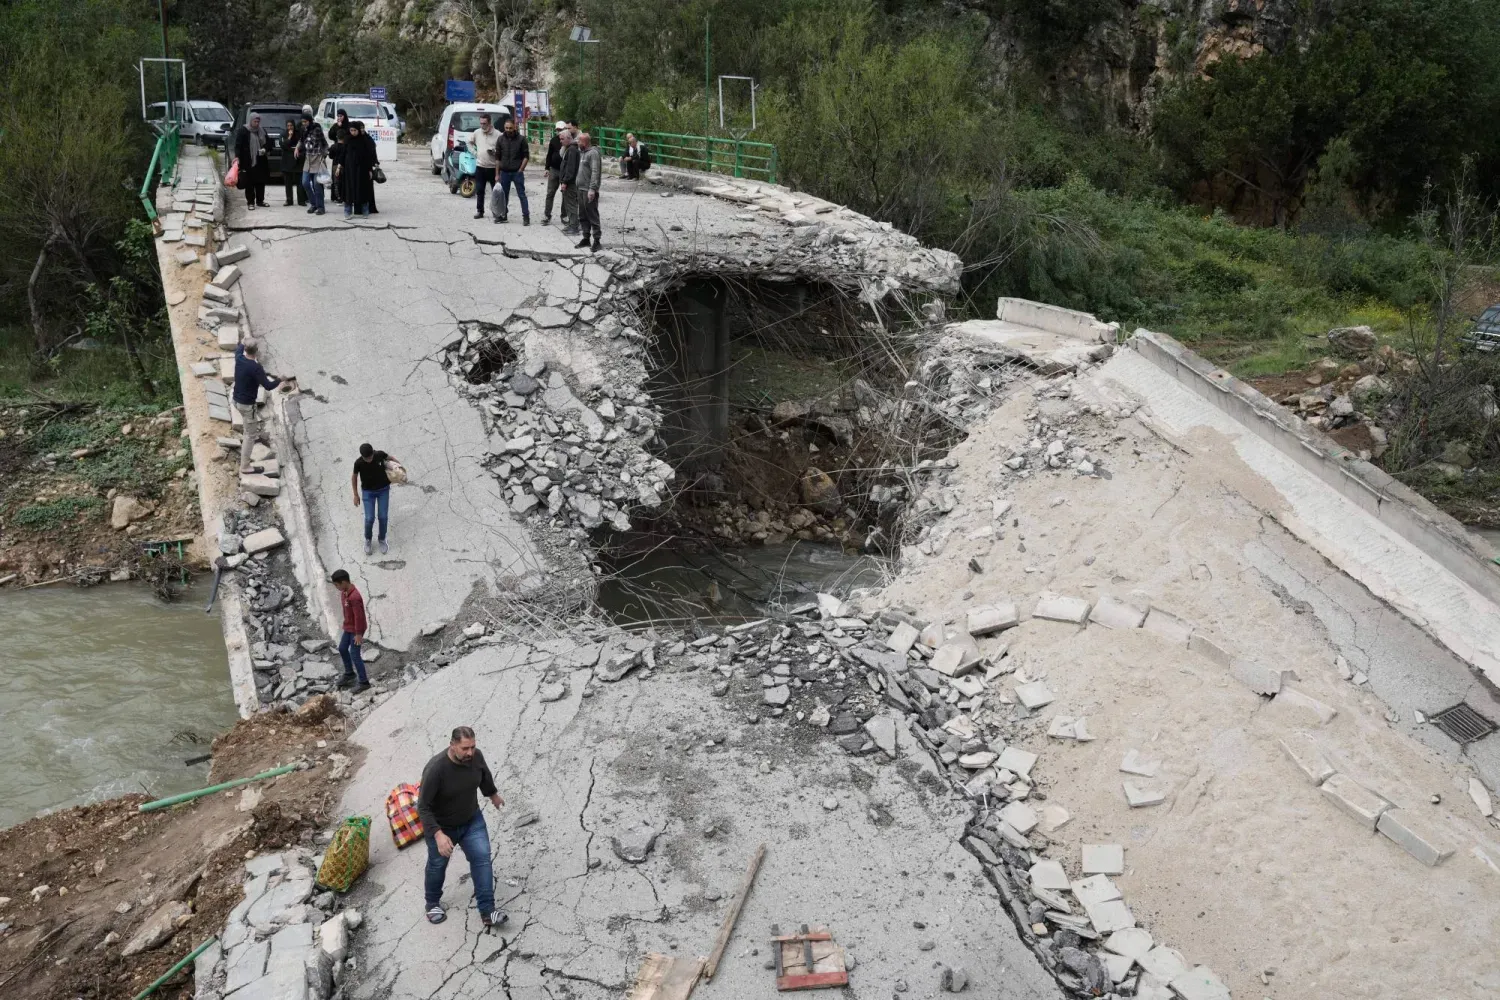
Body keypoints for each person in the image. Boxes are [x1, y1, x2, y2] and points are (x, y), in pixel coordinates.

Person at [417, 727, 507, 927]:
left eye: (473, 747)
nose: (470, 753)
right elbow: (422, 807)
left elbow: (484, 776)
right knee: (437, 865)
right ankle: (432, 903)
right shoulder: (436, 769)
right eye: (465, 748)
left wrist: (492, 795)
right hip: (442, 827)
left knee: (482, 858)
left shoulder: (476, 757)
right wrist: (438, 835)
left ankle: (487, 911)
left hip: (471, 820)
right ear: (452, 745)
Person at [232, 340, 281, 473]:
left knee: (248, 426)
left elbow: (239, 347)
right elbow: (268, 386)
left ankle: (247, 431)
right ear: (257, 350)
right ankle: (245, 467)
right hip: (246, 405)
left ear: (245, 349)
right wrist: (279, 379)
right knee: (250, 435)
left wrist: (244, 342)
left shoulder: (239, 358)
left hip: (236, 400)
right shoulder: (255, 368)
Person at [351, 442, 399, 554]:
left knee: (383, 517)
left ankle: (382, 538)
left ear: (373, 452)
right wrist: (355, 494)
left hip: (383, 490)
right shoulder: (358, 463)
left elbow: (390, 458)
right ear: (362, 457)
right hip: (368, 493)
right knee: (369, 518)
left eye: (371, 457)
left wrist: (399, 467)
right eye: (366, 458)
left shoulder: (379, 454)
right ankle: (368, 539)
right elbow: (354, 478)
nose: (369, 460)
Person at [328, 569, 371, 692]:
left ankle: (364, 682)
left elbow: (359, 617)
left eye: (337, 585)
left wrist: (358, 634)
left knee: (354, 654)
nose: (337, 588)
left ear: (343, 582)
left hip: (357, 629)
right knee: (342, 648)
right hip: (348, 627)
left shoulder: (354, 597)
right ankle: (349, 673)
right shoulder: (345, 592)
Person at [491, 116, 530, 225]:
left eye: (510, 128)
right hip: (504, 172)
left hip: (517, 172)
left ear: (515, 128)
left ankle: (526, 216)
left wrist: (521, 169)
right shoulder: (500, 139)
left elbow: (526, 156)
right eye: (506, 128)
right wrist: (497, 174)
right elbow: (497, 158)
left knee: (521, 194)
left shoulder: (522, 139)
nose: (508, 130)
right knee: (504, 196)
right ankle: (503, 215)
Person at [341, 119, 379, 219]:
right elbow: (343, 154)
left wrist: (370, 170)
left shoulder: (364, 140)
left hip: (362, 170)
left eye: (355, 130)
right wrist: (339, 167)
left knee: (362, 189)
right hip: (349, 170)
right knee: (349, 190)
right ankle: (347, 212)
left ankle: (365, 211)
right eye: (351, 130)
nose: (353, 132)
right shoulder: (347, 140)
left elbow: (368, 156)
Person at [468, 113, 502, 220]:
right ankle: (480, 211)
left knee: (495, 191)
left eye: (485, 123)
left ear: (489, 122)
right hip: (480, 166)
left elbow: (503, 149)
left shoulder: (498, 134)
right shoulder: (477, 132)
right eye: (481, 123)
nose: (482, 125)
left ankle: (496, 211)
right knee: (480, 190)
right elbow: (469, 142)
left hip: (493, 167)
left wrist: (495, 152)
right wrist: (474, 152)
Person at [233, 113, 270, 210]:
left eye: (258, 121)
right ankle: (250, 202)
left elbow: (269, 144)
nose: (257, 123)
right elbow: (238, 145)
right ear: (251, 121)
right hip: (247, 161)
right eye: (255, 121)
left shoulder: (262, 131)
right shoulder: (243, 131)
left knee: (260, 182)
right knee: (249, 182)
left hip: (260, 160)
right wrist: (237, 157)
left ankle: (260, 201)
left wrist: (264, 150)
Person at [574, 131, 602, 251]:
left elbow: (595, 172)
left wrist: (592, 189)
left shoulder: (593, 154)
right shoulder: (581, 153)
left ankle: (597, 240)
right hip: (580, 189)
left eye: (579, 141)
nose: (577, 142)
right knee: (582, 215)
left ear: (584, 142)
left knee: (592, 215)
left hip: (588, 190)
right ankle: (586, 238)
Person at [298, 113, 328, 215]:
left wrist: (324, 155)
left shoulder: (317, 130)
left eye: (305, 122)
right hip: (308, 160)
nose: (304, 124)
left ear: (310, 121)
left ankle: (320, 207)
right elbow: (301, 141)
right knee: (305, 182)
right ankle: (313, 204)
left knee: (317, 184)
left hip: (317, 159)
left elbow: (324, 143)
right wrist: (297, 148)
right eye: (302, 122)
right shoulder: (303, 130)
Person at [542, 121, 568, 225]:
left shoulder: (568, 141)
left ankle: (564, 215)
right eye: (557, 130)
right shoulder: (553, 140)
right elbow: (549, 155)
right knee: (550, 193)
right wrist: (547, 168)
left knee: (565, 194)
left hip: (564, 171)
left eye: (561, 130)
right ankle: (547, 215)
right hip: (553, 169)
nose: (559, 132)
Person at [559, 127, 581, 236]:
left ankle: (574, 227)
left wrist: (565, 182)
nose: (560, 141)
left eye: (562, 139)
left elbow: (570, 168)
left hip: (570, 183)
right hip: (569, 182)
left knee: (571, 204)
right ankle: (572, 224)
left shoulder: (572, 150)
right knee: (568, 204)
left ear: (568, 138)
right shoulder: (569, 149)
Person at [279, 120, 306, 206]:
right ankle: (289, 200)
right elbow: (283, 146)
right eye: (288, 126)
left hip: (297, 160)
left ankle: (301, 200)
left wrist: (298, 152)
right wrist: (289, 137)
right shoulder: (283, 134)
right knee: (288, 182)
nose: (290, 127)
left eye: (291, 125)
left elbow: (302, 145)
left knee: (299, 182)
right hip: (287, 161)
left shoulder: (299, 134)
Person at [328, 110, 351, 204]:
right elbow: (331, 135)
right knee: (336, 177)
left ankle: (344, 195)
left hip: (346, 150)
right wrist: (337, 127)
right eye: (338, 116)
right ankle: (336, 196)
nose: (339, 118)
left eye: (341, 116)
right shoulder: (335, 125)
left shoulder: (348, 126)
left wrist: (342, 128)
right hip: (337, 150)